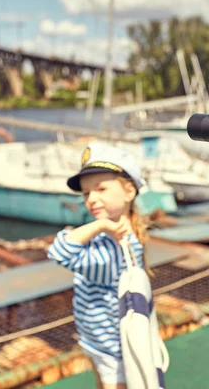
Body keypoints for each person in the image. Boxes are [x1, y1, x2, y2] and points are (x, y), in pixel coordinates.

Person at [47, 141, 149, 389]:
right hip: (97, 340)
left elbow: (59, 252)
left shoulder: (112, 247)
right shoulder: (116, 239)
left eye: (101, 189)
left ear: (129, 192)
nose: (91, 199)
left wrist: (99, 225)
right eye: (86, 193)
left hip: (111, 347)